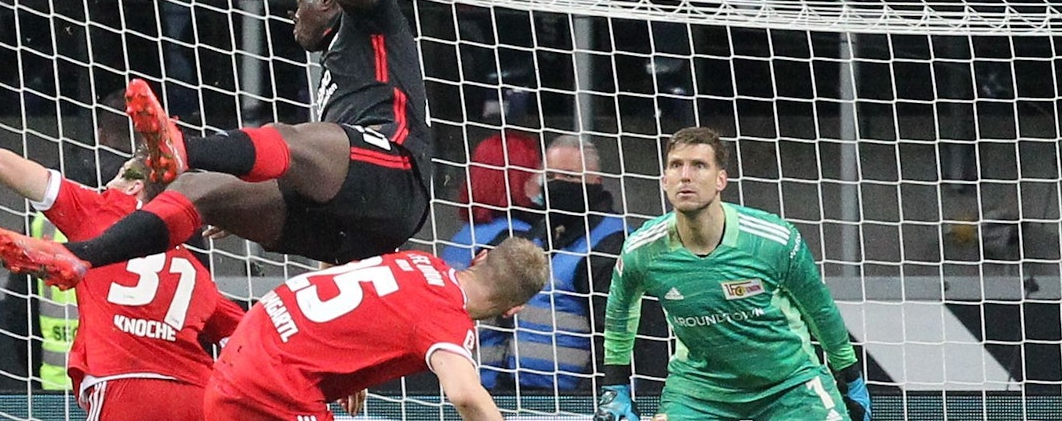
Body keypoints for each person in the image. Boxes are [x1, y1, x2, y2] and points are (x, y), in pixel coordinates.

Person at [0, 0, 434, 289]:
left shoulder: (375, 18)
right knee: (201, 191)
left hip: (398, 181)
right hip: (346, 223)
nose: (293, 12)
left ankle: (182, 148)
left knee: (285, 139)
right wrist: (247, 204)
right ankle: (80, 257)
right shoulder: (341, 66)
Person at [0, 148, 244, 419]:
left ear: (135, 186)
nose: (107, 183)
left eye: (120, 175)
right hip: (198, 396)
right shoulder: (193, 271)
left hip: (124, 387)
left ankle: (53, 255)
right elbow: (245, 341)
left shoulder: (99, 210)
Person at [597, 127, 872, 421]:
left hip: (789, 386)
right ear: (665, 181)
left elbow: (820, 310)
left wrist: (851, 377)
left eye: (698, 165)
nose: (685, 175)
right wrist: (615, 387)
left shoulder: (773, 241)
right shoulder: (642, 250)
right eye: (676, 165)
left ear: (721, 180)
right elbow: (619, 313)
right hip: (699, 392)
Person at [206, 240, 550, 421]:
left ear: (479, 257)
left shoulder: (421, 260)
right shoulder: (449, 323)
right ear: (512, 309)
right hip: (274, 387)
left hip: (247, 344)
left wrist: (340, 360)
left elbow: (342, 262)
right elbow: (465, 394)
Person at [442, 134, 631, 392]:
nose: (558, 184)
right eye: (551, 177)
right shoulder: (534, 237)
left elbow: (616, 338)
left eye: (570, 177)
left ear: (595, 181)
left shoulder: (612, 243)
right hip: (509, 390)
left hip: (571, 398)